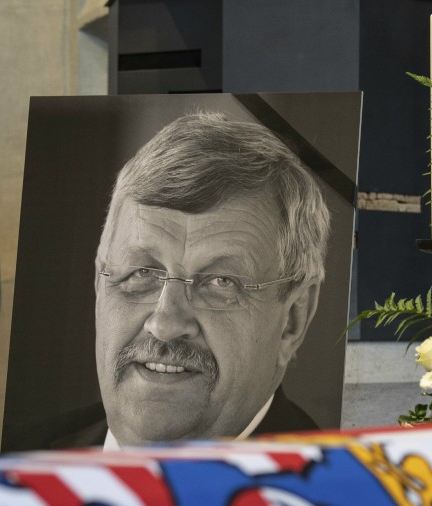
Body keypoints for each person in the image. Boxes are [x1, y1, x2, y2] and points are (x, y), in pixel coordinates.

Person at [92, 112, 327, 447]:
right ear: (100, 289)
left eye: (220, 282)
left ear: (293, 319)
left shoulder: (328, 491)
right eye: (142, 272)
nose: (165, 324)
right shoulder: (19, 455)